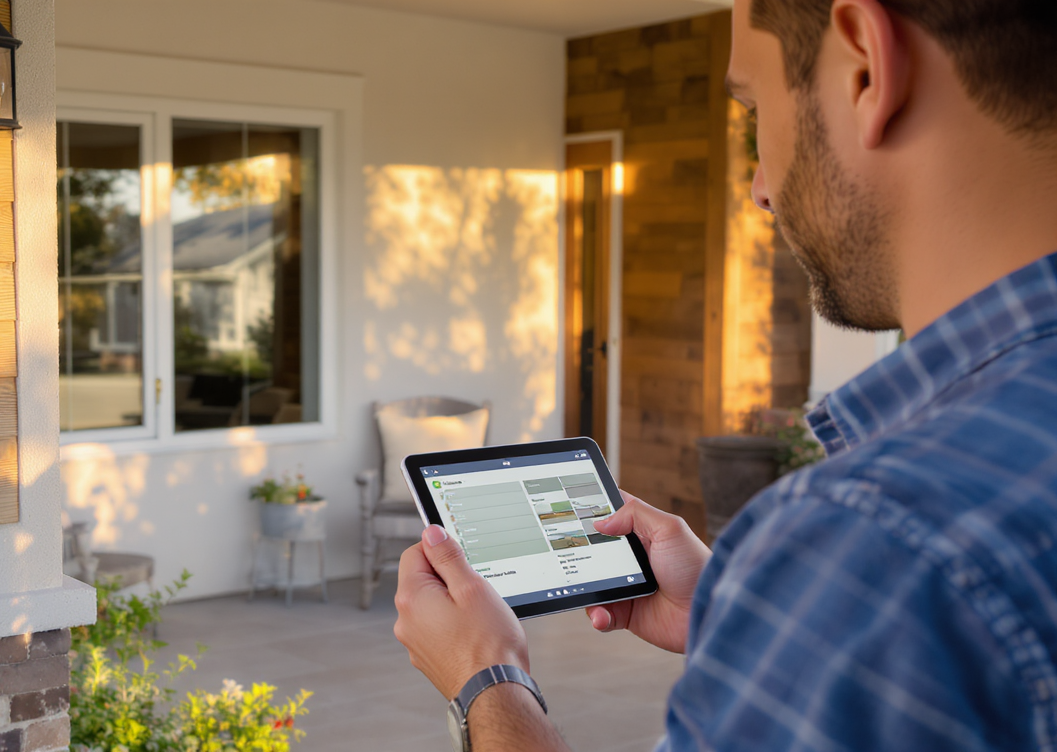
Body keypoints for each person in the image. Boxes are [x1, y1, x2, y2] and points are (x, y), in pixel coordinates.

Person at [393, 0, 1057, 749]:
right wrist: (743, 608)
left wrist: (487, 677)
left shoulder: (880, 537)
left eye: (752, 110)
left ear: (868, 67)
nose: (761, 188)